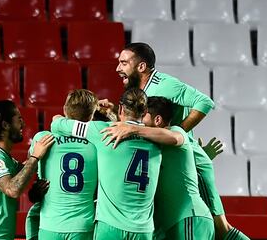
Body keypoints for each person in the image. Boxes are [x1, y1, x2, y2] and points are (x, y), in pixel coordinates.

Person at [102, 42, 249, 240]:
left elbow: (205, 102)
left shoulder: (164, 84)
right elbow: (133, 127)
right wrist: (111, 114)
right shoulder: (143, 92)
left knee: (221, 229)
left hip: (193, 167)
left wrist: (180, 133)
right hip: (170, 166)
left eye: (123, 63)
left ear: (141, 66)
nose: (118, 68)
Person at [51, 88, 162, 240]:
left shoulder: (102, 131)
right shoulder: (158, 139)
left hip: (110, 226)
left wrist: (59, 117)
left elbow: (58, 125)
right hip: (143, 229)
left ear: (121, 108)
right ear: (145, 111)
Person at [102, 96, 214, 240]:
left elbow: (175, 138)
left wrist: (133, 129)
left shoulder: (175, 131)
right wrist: (111, 114)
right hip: (172, 224)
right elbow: (126, 128)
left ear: (158, 120)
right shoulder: (151, 140)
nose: (139, 120)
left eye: (143, 116)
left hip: (189, 218)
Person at [0, 100, 54, 240]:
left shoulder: (3, 157)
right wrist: (35, 157)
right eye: (19, 119)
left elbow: (24, 172)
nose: (23, 124)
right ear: (5, 125)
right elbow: (13, 189)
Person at [27, 90, 98, 240]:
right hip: (83, 225)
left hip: (51, 224)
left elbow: (30, 163)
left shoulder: (42, 138)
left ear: (65, 109)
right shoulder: (96, 145)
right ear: (92, 115)